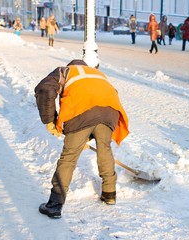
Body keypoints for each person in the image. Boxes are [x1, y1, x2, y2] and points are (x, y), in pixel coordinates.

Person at [34, 59, 129, 218]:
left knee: (69, 157)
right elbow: (101, 99)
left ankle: (55, 204)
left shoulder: (65, 71)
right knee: (104, 148)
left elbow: (45, 89)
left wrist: (50, 120)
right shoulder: (97, 74)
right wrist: (87, 135)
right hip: (110, 112)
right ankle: (109, 193)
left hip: (81, 113)